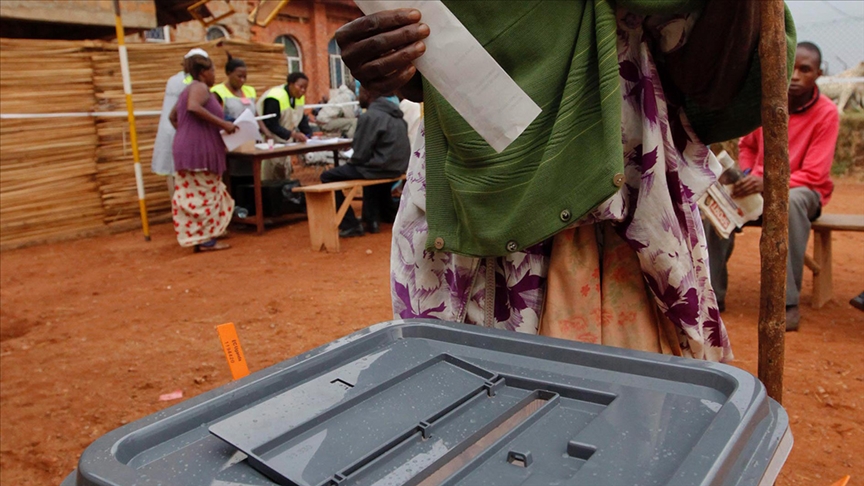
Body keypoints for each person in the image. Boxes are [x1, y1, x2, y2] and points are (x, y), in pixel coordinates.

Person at [336, 3, 795, 362]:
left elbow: (718, 82)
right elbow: (440, 39)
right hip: (462, 191)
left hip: (613, 209)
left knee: (612, 418)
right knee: (463, 411)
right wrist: (394, 54)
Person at [707, 42, 840, 332]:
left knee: (789, 203)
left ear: (818, 74)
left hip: (803, 191)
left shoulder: (827, 112)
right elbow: (748, 146)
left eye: (805, 70)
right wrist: (745, 175)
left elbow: (815, 173)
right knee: (717, 203)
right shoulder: (766, 103)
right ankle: (712, 297)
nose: (796, 75)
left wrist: (770, 183)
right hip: (759, 188)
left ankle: (785, 303)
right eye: (792, 67)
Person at [320, 84, 410, 237]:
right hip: (397, 167)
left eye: (360, 93)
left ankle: (350, 224)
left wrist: (351, 162)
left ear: (368, 94)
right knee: (369, 170)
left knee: (327, 176)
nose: (358, 97)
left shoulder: (370, 116)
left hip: (379, 168)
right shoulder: (395, 114)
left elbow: (360, 154)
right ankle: (376, 217)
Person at [169, 54, 238, 252]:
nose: (214, 75)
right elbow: (193, 107)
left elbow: (172, 117)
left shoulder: (187, 90)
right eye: (212, 71)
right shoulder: (200, 87)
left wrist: (187, 134)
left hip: (187, 149)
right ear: (202, 72)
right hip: (199, 151)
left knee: (193, 193)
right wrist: (223, 124)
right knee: (204, 194)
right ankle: (206, 240)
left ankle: (201, 236)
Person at [152, 48, 209, 197]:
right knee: (185, 177)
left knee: (172, 174)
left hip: (169, 130)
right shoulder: (192, 82)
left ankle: (176, 207)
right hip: (182, 130)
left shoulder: (173, 80)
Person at [257, 72, 313, 179]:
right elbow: (270, 123)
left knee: (283, 175)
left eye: (305, 88)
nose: (303, 90)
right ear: (291, 84)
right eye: (300, 86)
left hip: (285, 143)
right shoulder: (275, 97)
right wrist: (293, 134)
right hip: (270, 141)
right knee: (269, 175)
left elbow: (300, 117)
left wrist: (309, 134)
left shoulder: (298, 97)